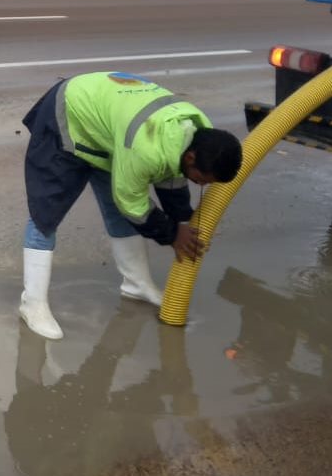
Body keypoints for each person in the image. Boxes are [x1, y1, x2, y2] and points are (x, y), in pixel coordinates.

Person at [19, 71, 242, 340]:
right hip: (69, 114)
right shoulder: (146, 150)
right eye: (202, 179)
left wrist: (183, 220)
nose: (200, 185)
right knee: (46, 214)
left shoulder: (195, 130)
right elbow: (132, 203)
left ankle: (137, 284)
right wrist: (172, 234)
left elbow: (172, 177)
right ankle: (32, 304)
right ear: (192, 157)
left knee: (119, 210)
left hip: (108, 128)